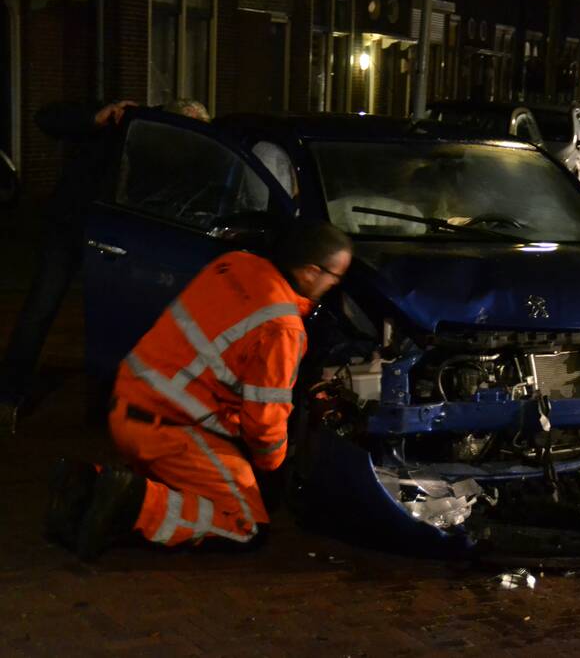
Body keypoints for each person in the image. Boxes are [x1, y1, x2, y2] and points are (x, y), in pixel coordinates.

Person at [46, 220, 353, 560]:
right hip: (171, 431)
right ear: (311, 271)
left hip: (127, 407)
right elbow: (264, 423)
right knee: (244, 522)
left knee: (205, 490)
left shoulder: (235, 264)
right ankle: (134, 504)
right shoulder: (282, 328)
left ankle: (89, 484)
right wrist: (273, 468)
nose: (334, 285)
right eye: (335, 277)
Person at [0, 98, 210, 434]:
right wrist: (93, 117)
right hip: (70, 229)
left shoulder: (174, 154)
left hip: (115, 238)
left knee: (120, 311)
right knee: (41, 308)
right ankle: (9, 395)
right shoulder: (123, 120)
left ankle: (112, 401)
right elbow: (46, 116)